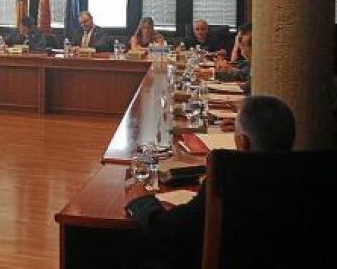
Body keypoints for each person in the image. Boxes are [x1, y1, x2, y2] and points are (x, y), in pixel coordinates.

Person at [127, 95, 296, 269]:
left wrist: (142, 202)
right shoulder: (301, 177)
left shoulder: (229, 178)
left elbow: (171, 229)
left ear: (242, 142)